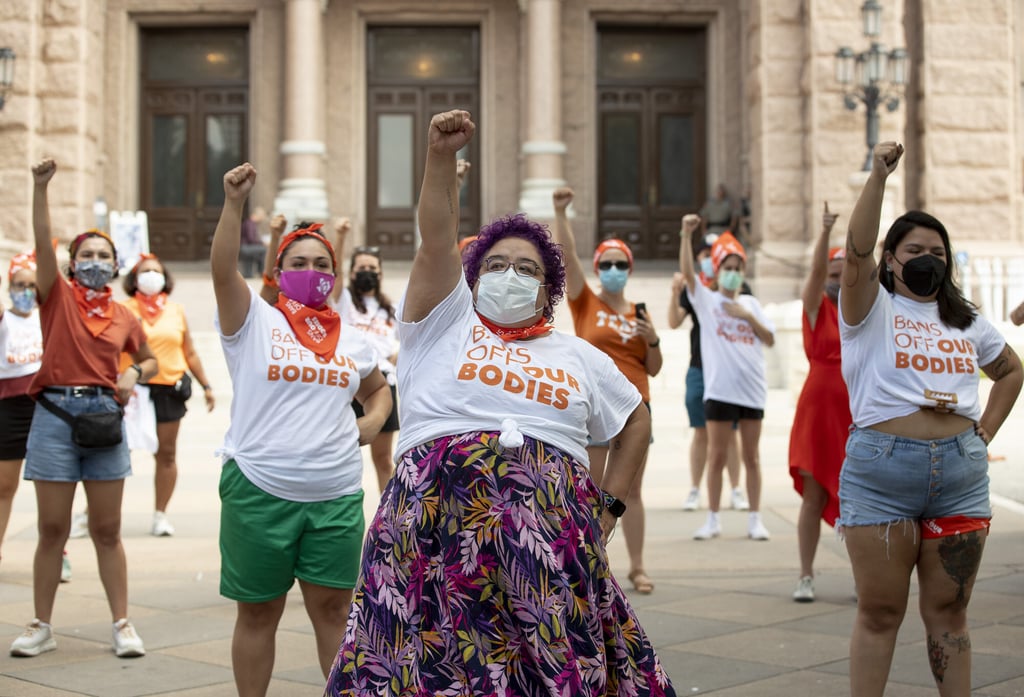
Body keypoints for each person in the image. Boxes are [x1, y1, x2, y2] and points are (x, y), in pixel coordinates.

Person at [324, 110, 675, 697]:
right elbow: (436, 236)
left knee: (546, 674)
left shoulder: (576, 354)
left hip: (547, 548)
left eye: (526, 268)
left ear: (548, 290)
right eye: (495, 265)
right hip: (434, 534)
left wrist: (611, 504)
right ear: (471, 277)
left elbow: (636, 415)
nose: (509, 275)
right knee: (427, 670)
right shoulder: (443, 323)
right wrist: (440, 158)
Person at [838, 141, 1022, 697]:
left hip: (961, 475)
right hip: (882, 474)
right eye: (915, 249)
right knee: (880, 611)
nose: (928, 260)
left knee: (950, 611)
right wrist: (878, 177)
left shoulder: (968, 321)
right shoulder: (869, 306)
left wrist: (984, 430)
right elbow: (855, 248)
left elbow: (1011, 371)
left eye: (939, 252)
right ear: (890, 259)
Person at [211, 162, 392, 697]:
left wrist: (374, 421)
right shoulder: (253, 320)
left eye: (320, 263)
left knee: (335, 610)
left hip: (334, 496)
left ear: (332, 276)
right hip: (258, 491)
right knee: (260, 612)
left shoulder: (353, 339)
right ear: (278, 270)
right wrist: (232, 205)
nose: (309, 270)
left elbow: (377, 389)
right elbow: (223, 270)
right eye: (297, 262)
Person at [10, 158, 157, 659]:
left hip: (103, 421)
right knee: (52, 529)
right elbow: (42, 236)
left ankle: (122, 622)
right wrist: (40, 188)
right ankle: (41, 624)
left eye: (103, 254)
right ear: (73, 264)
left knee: (107, 530)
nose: (94, 260)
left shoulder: (124, 314)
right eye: (86, 254)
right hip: (53, 417)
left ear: (115, 265)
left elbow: (151, 357)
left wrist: (134, 373)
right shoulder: (57, 299)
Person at [551, 185, 661, 595]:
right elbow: (567, 258)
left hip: (635, 407)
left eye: (621, 263)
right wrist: (561, 212)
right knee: (590, 488)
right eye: (607, 263)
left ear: (629, 269)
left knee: (631, 489)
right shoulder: (586, 303)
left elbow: (654, 367)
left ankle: (637, 566)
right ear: (599, 267)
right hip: (596, 407)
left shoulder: (640, 312)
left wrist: (652, 341)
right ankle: (594, 563)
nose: (614, 268)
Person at [678, 218, 775, 541]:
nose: (733, 272)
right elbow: (689, 276)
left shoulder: (751, 304)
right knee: (716, 456)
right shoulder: (707, 301)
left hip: (752, 393)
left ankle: (755, 519)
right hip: (720, 392)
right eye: (728, 266)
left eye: (738, 267)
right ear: (718, 270)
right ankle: (713, 518)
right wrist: (686, 235)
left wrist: (747, 316)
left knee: (752, 457)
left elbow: (770, 339)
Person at [120, 253, 216, 535]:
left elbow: (189, 352)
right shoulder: (123, 309)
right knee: (115, 452)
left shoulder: (176, 311)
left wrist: (207, 386)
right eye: (145, 271)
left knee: (166, 454)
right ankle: (95, 511)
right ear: (134, 278)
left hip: (168, 388)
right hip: (131, 389)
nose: (151, 275)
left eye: (156, 270)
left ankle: (160, 514)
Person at [787, 203, 849, 602]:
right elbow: (812, 276)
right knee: (813, 496)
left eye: (846, 275)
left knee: (859, 500)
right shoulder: (818, 307)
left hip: (854, 411)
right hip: (817, 410)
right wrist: (826, 232)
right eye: (834, 275)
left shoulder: (861, 312)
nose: (839, 282)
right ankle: (806, 574)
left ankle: (866, 576)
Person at [668, 238, 748, 513]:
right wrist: (674, 291)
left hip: (728, 369)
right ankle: (694, 489)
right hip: (700, 367)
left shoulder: (738, 288)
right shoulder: (697, 289)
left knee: (732, 432)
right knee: (700, 431)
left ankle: (737, 489)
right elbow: (673, 321)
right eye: (703, 254)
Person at [330, 218, 401, 492]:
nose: (367, 272)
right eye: (361, 268)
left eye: (372, 268)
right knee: (344, 454)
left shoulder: (391, 309)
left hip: (383, 384)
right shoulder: (343, 301)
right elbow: (333, 276)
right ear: (351, 272)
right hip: (350, 380)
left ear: (381, 273)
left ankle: (389, 518)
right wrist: (340, 237)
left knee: (383, 458)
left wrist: (394, 360)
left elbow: (403, 344)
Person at [0, 252, 44, 565]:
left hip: (46, 405)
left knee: (53, 485)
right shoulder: (5, 319)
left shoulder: (49, 316)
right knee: (4, 485)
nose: (26, 291)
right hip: (9, 408)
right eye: (19, 284)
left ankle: (58, 551)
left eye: (31, 285)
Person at [239, 206, 267, 278]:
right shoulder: (250, 223)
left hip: (244, 247)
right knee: (263, 250)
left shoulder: (249, 223)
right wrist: (262, 242)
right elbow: (251, 239)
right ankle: (261, 271)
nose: (262, 219)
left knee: (248, 275)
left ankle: (248, 273)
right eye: (262, 216)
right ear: (257, 215)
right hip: (245, 248)